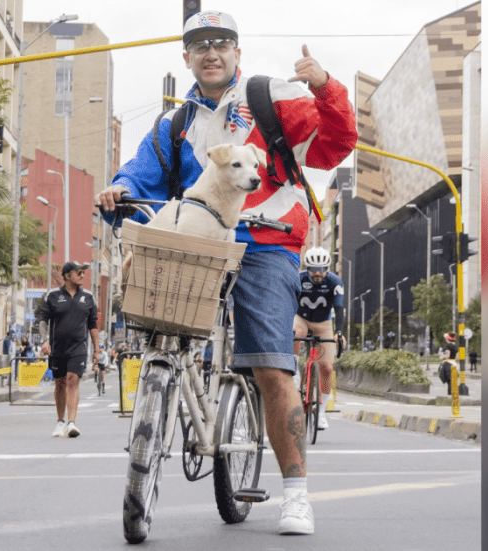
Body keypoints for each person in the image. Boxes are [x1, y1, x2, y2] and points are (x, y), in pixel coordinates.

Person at [96, 10, 356, 536]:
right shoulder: (176, 122)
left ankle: (296, 493)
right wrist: (117, 190)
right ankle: (172, 383)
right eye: (198, 44)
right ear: (186, 56)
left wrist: (326, 87)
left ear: (237, 51)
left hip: (266, 242)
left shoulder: (271, 97)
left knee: (267, 363)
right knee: (161, 329)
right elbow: (139, 174)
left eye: (221, 42)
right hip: (197, 241)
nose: (210, 52)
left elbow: (334, 145)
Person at [38, 261, 99, 438]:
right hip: (58, 348)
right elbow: (44, 320)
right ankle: (60, 421)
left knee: (73, 380)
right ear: (67, 276)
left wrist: (97, 349)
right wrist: (44, 341)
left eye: (83, 272)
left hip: (79, 348)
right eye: (78, 272)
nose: (82, 275)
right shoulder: (53, 296)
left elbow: (93, 325)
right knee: (60, 383)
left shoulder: (88, 297)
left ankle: (72, 423)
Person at [292, 247, 345, 431]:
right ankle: (294, 369)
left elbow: (339, 308)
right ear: (307, 268)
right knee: (296, 333)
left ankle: (321, 413)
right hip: (302, 318)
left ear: (327, 268)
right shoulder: (298, 279)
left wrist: (339, 331)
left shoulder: (334, 281)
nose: (318, 273)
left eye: (322, 268)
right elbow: (288, 301)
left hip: (323, 323)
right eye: (314, 268)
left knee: (327, 368)